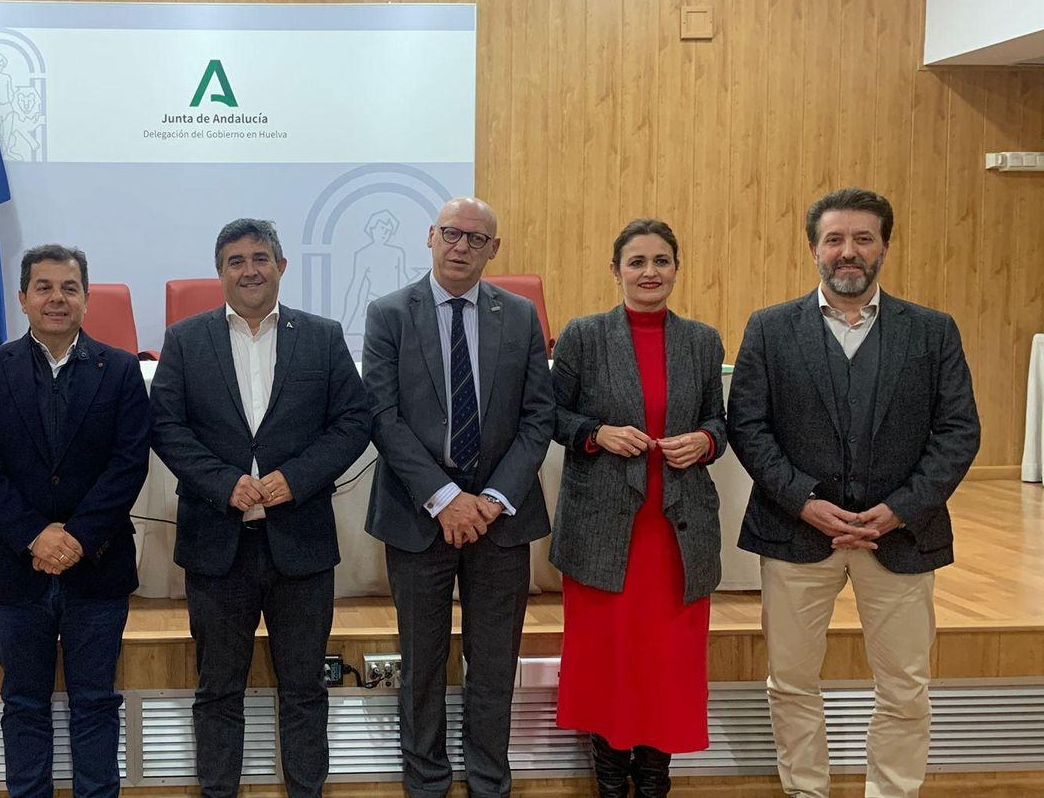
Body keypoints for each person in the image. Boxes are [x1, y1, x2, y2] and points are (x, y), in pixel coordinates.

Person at [728, 187, 980, 798]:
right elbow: (748, 427)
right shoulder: (769, 327)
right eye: (835, 240)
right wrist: (804, 502)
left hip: (900, 535)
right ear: (814, 249)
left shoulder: (932, 331)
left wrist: (899, 510)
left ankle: (893, 791)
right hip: (795, 532)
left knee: (905, 684)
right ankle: (805, 790)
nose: (848, 252)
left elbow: (958, 431)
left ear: (884, 248)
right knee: (790, 681)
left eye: (862, 239)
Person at [150, 218, 370, 798]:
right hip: (217, 544)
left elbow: (353, 420)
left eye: (261, 258)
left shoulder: (322, 337)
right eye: (235, 260)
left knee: (304, 688)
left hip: (300, 543)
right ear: (219, 271)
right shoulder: (185, 338)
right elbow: (166, 427)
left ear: (281, 266)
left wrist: (293, 479)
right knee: (218, 689)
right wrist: (224, 483)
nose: (249, 269)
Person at [362, 196, 554, 798]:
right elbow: (382, 416)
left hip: (502, 519)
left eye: (476, 238)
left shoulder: (520, 316)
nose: (461, 246)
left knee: (494, 663)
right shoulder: (390, 312)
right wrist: (445, 497)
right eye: (452, 233)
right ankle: (425, 782)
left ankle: (490, 781)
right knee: (420, 663)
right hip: (419, 515)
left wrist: (492, 498)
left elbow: (537, 417)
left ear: (493, 249)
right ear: (430, 236)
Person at [0, 244, 152, 797]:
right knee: (22, 703)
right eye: (43, 287)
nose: (56, 298)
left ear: (87, 300)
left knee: (95, 702)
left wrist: (78, 537)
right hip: (13, 568)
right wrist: (34, 535)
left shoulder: (119, 370)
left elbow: (128, 461)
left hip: (99, 565)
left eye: (69, 288)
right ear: (22, 299)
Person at [547, 219, 727, 797]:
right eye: (637, 262)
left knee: (666, 665)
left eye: (661, 261)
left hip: (677, 531)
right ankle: (609, 779)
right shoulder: (583, 335)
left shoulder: (703, 340)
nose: (650, 272)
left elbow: (720, 421)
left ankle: (654, 782)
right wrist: (597, 432)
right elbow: (551, 416)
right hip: (604, 529)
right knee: (609, 663)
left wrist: (706, 441)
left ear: (677, 267)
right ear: (616, 270)